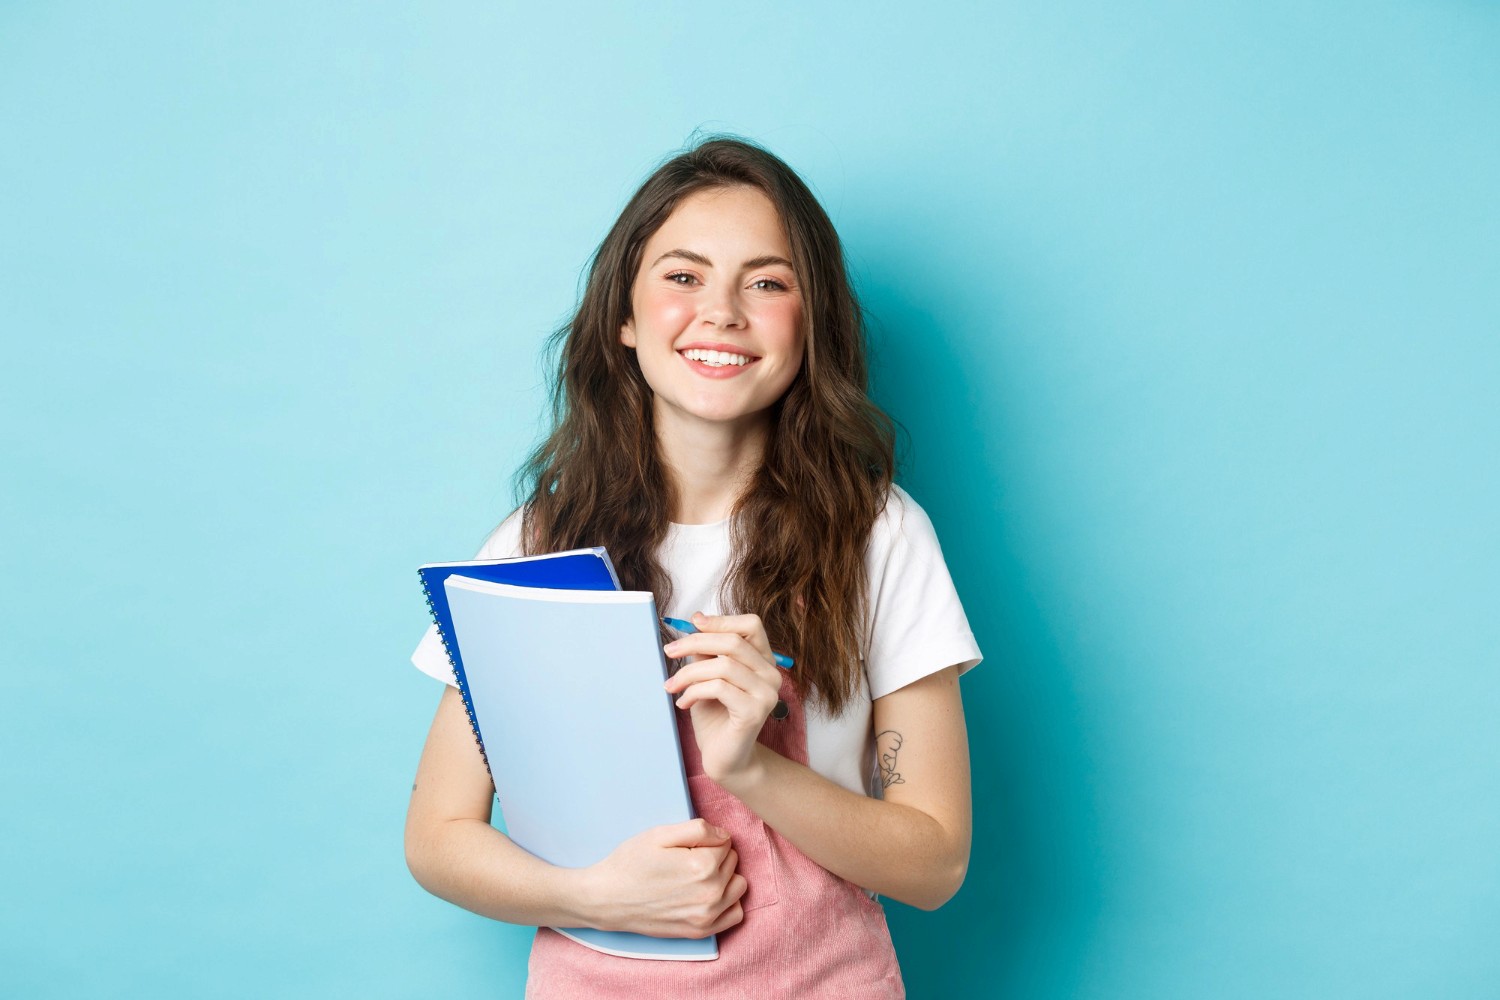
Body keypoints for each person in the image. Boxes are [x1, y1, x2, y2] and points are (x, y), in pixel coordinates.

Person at [404, 136, 981, 999]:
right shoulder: (538, 541)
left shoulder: (879, 534)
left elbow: (934, 864)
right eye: (682, 276)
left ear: (810, 323)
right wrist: (590, 895)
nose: (722, 311)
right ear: (624, 320)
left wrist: (750, 766)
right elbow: (437, 836)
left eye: (768, 281)